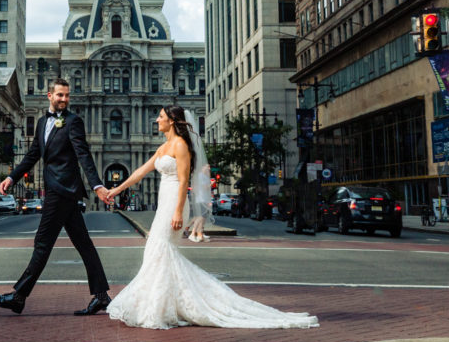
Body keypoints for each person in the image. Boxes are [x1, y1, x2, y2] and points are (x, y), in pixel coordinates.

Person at [106, 106, 318, 330]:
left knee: (159, 249)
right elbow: (140, 171)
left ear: (172, 121)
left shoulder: (180, 145)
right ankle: (164, 303)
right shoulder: (163, 147)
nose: (156, 119)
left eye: (160, 116)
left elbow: (183, 180)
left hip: (174, 203)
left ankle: (166, 305)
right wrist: (116, 190)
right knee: (158, 253)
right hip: (164, 203)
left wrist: (178, 211)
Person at [0, 78, 112, 316]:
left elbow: (83, 155)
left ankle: (19, 297)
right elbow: (33, 154)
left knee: (42, 243)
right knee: (84, 244)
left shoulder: (73, 122)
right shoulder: (43, 122)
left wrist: (97, 186)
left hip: (62, 190)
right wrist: (12, 177)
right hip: (60, 190)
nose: (64, 99)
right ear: (49, 96)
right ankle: (102, 296)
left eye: (67, 96)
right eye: (60, 95)